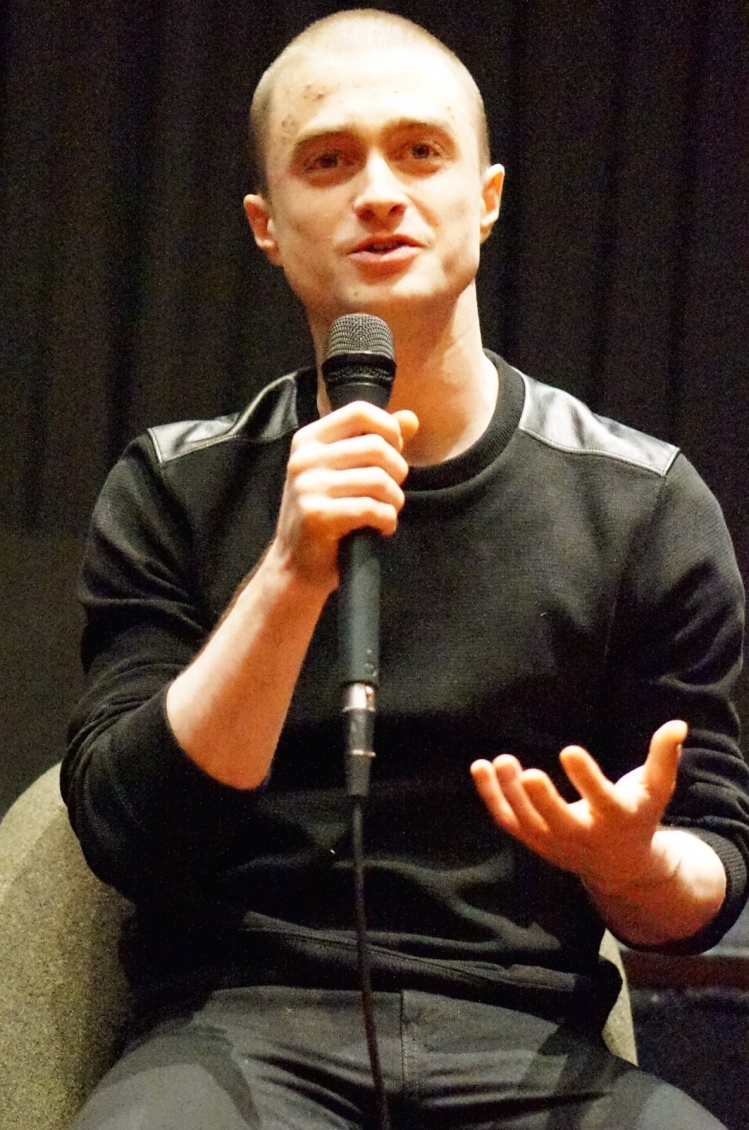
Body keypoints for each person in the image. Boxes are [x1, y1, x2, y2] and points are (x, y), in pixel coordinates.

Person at [63, 9, 748, 1128]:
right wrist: (289, 571)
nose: (377, 190)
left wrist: (630, 863)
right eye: (328, 160)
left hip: (530, 1039)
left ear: (482, 196)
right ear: (266, 225)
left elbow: (709, 868)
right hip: (240, 1029)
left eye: (418, 151)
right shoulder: (173, 486)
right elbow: (125, 831)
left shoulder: (641, 502)